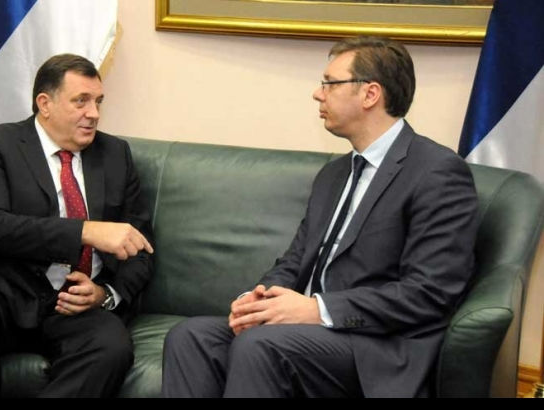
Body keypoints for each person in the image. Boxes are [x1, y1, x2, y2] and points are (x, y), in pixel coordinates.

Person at [161, 36, 479, 398]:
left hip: (375, 345)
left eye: (330, 83)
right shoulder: (334, 174)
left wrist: (318, 310)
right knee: (191, 337)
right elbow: (296, 260)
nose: (317, 94)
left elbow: (429, 293)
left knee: (261, 345)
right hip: (310, 334)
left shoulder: (436, 172)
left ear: (370, 94)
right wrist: (258, 300)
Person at [0, 54, 154, 398]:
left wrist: (105, 294)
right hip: (4, 291)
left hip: (74, 304)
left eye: (98, 102)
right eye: (81, 101)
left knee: (111, 347)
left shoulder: (115, 155)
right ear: (45, 104)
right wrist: (85, 231)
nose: (94, 113)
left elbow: (140, 246)